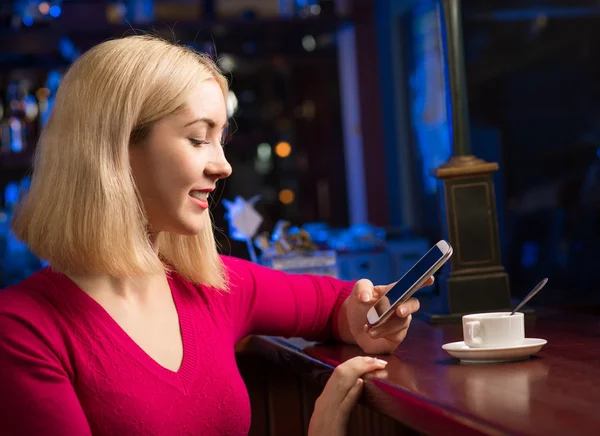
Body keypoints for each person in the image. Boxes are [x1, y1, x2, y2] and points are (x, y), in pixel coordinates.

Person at [0, 35, 430, 436]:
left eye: (220, 139)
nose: (222, 166)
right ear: (118, 148)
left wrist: (366, 320)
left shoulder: (212, 286)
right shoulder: (21, 331)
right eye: (197, 138)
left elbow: (337, 305)